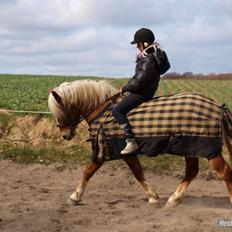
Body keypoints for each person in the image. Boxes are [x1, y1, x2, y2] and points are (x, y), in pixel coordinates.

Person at [112, 28, 167, 155]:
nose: (137, 46)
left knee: (117, 111)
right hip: (147, 91)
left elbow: (139, 81)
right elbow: (139, 77)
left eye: (138, 43)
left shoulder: (148, 59)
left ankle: (131, 141)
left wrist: (124, 88)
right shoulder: (154, 55)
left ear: (145, 43)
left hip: (142, 93)